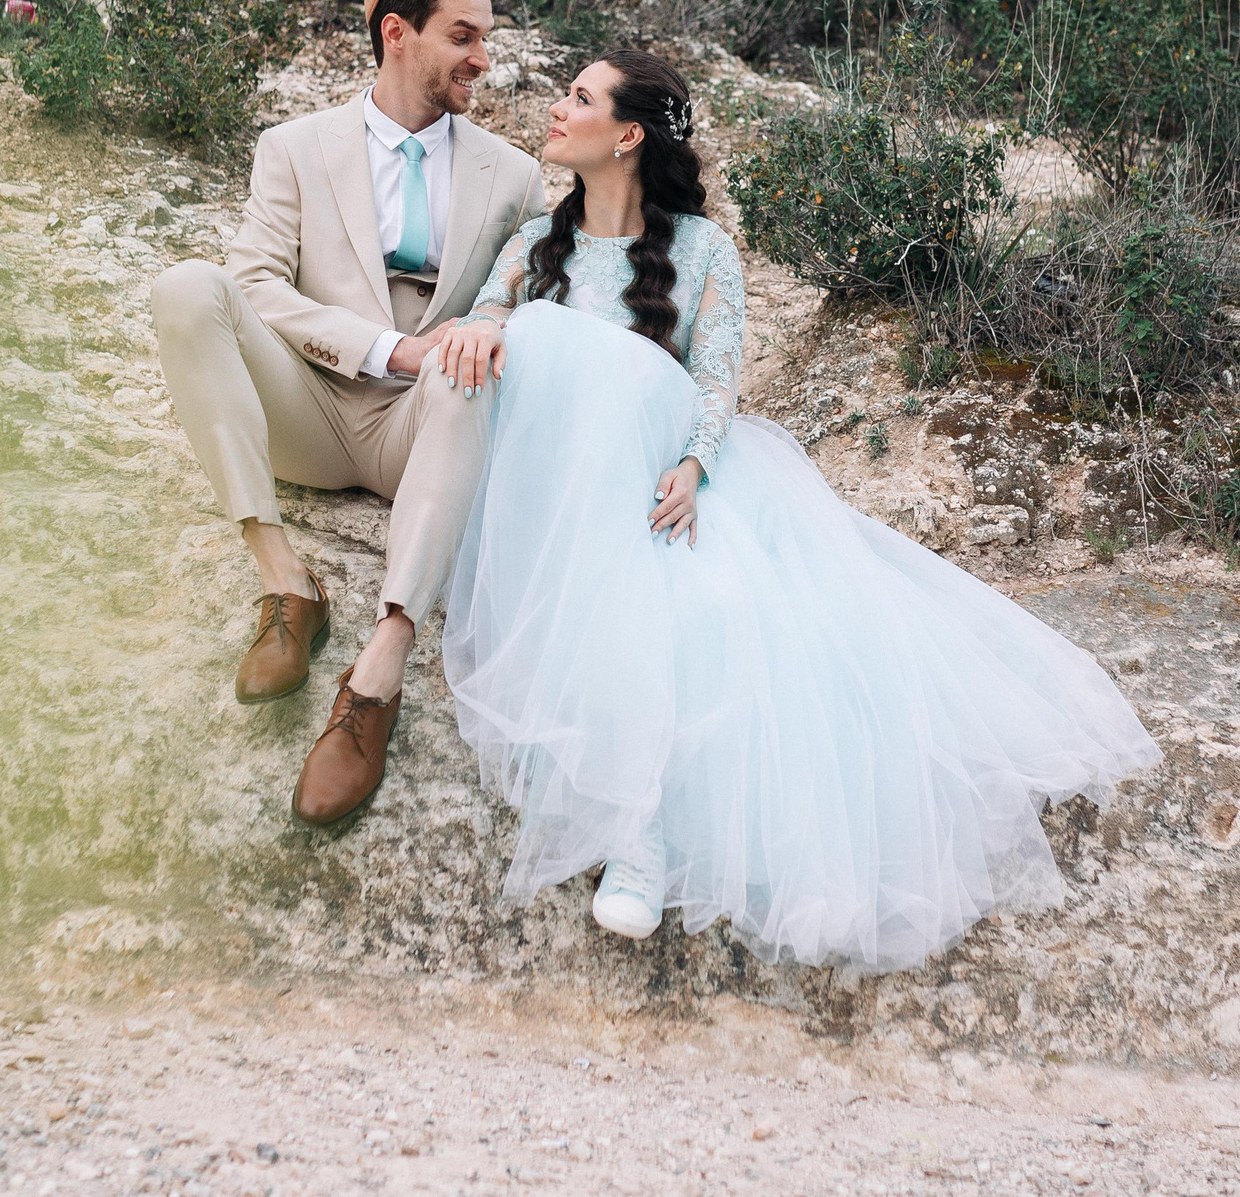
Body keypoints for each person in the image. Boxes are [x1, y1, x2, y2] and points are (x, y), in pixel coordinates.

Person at [429, 50, 1163, 973]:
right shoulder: (538, 239)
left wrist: (695, 465)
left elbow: (714, 377)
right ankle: (634, 823)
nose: (556, 106)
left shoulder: (701, 251)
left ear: (626, 135)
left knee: (701, 599)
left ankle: (641, 833)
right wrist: (492, 320)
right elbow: (485, 320)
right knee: (541, 335)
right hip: (548, 480)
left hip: (661, 471)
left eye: (579, 97)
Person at [149, 0, 545, 826]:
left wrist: (478, 333)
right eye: (464, 36)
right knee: (187, 286)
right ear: (396, 34)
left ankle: (379, 672)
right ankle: (288, 583)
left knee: (470, 367)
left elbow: (531, 298)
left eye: (487, 37)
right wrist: (386, 349)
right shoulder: (292, 148)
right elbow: (254, 283)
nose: (484, 57)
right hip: (315, 409)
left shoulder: (513, 175)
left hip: (426, 432)